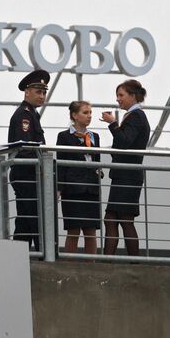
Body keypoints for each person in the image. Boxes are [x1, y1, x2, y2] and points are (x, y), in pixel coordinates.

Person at [102, 79, 150, 256]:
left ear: (133, 96)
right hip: (125, 174)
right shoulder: (134, 116)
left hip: (128, 175)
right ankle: (111, 262)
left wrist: (113, 124)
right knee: (112, 219)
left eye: (121, 95)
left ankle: (134, 263)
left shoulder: (136, 116)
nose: (118, 99)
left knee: (124, 219)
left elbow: (124, 141)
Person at [7, 69, 50, 252]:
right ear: (27, 92)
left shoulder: (32, 114)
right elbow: (24, 147)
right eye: (38, 91)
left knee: (26, 218)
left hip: (30, 173)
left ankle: (18, 254)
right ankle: (43, 253)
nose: (42, 96)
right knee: (34, 216)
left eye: (44, 92)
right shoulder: (24, 115)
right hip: (26, 173)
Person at [55, 100, 103, 255]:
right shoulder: (64, 136)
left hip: (91, 188)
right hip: (72, 188)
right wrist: (59, 188)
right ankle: (70, 266)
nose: (89, 116)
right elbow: (61, 164)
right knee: (73, 229)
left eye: (90, 113)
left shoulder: (94, 136)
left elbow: (96, 160)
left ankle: (92, 265)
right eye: (85, 112)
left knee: (91, 230)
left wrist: (98, 172)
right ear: (74, 115)